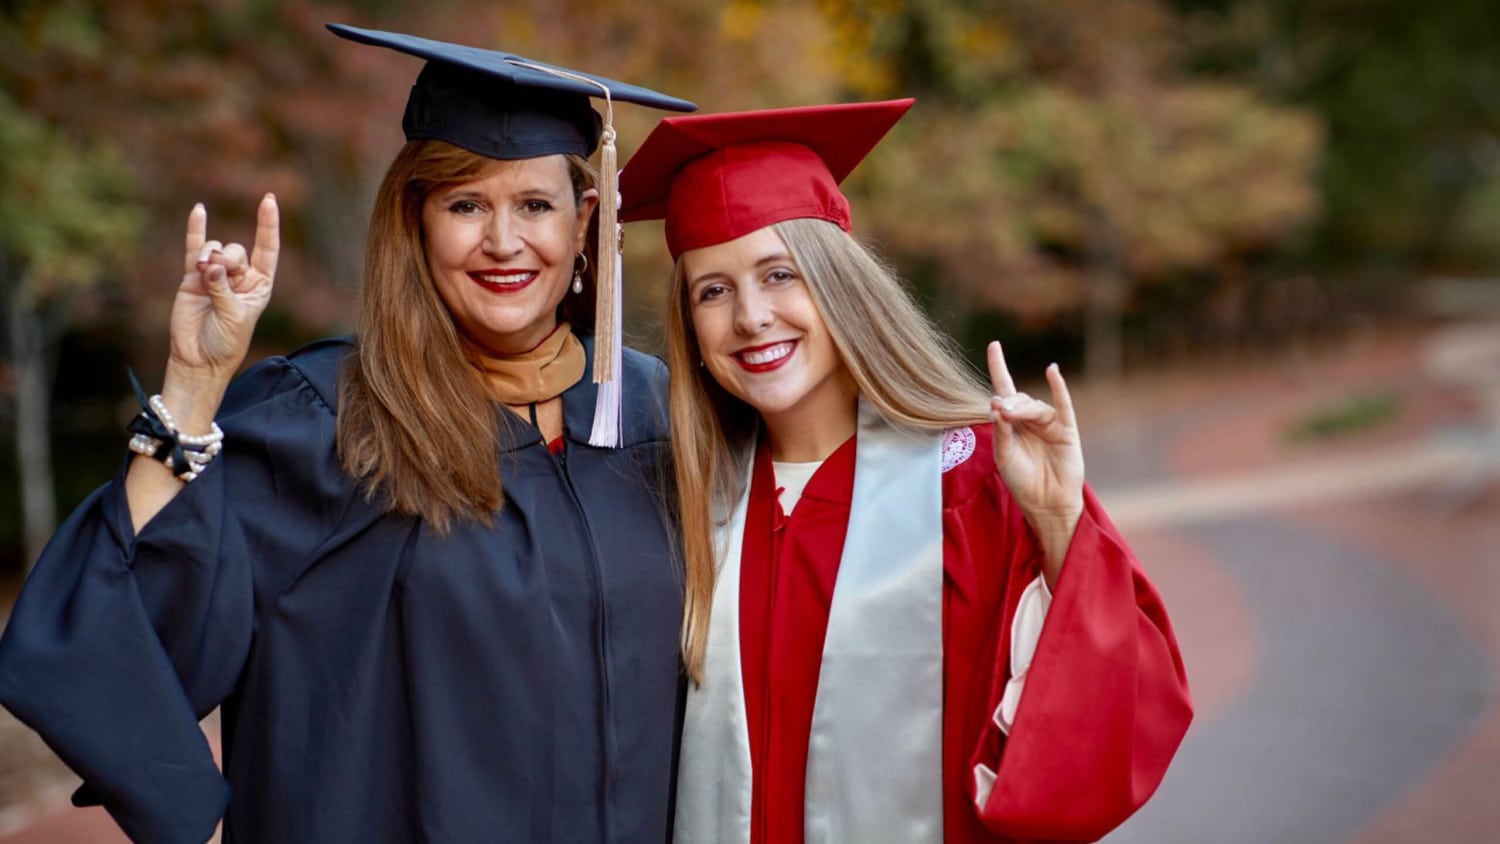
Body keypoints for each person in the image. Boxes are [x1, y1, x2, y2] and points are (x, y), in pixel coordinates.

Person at [0, 24, 695, 843]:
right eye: (465, 204)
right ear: (416, 221)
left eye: (535, 206)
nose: (503, 242)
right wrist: (192, 390)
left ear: (585, 223)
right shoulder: (331, 420)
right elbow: (131, 635)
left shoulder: (656, 412)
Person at [618, 99, 1193, 843]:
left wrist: (1057, 524)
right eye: (714, 290)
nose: (751, 316)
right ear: (691, 330)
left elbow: (1115, 727)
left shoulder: (968, 482)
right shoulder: (689, 502)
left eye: (780, 273)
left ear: (841, 286)